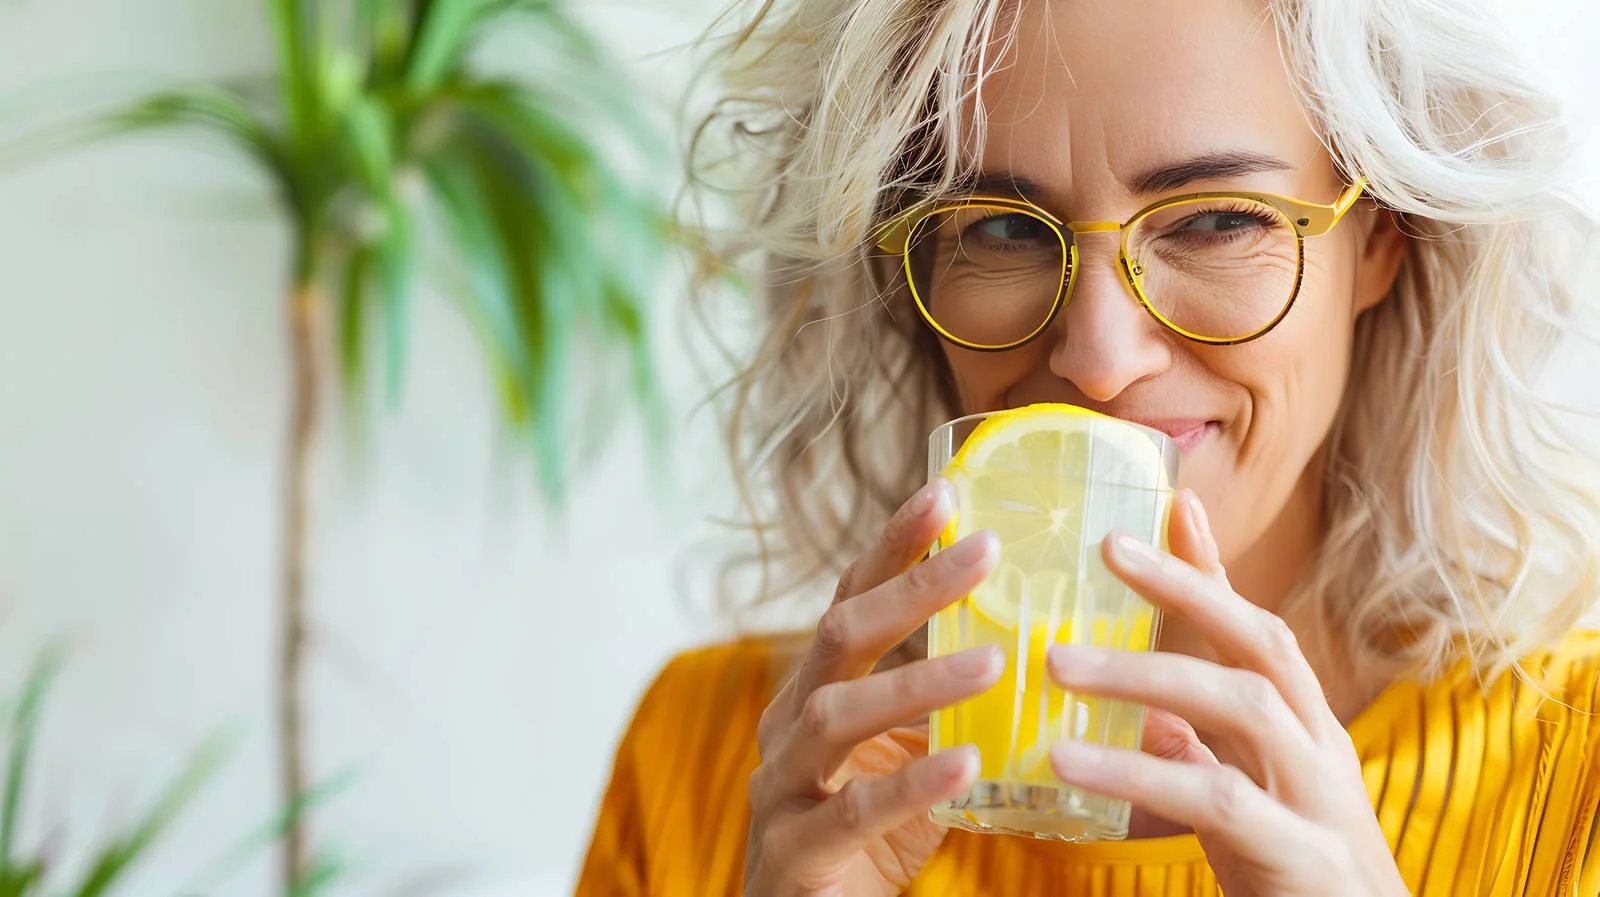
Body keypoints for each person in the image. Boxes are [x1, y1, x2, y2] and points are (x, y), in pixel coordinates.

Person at [577, 0, 1600, 894]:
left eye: (1211, 221)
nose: (1098, 360)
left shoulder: (1578, 772)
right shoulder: (708, 761)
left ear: (1380, 238)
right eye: (1004, 230)